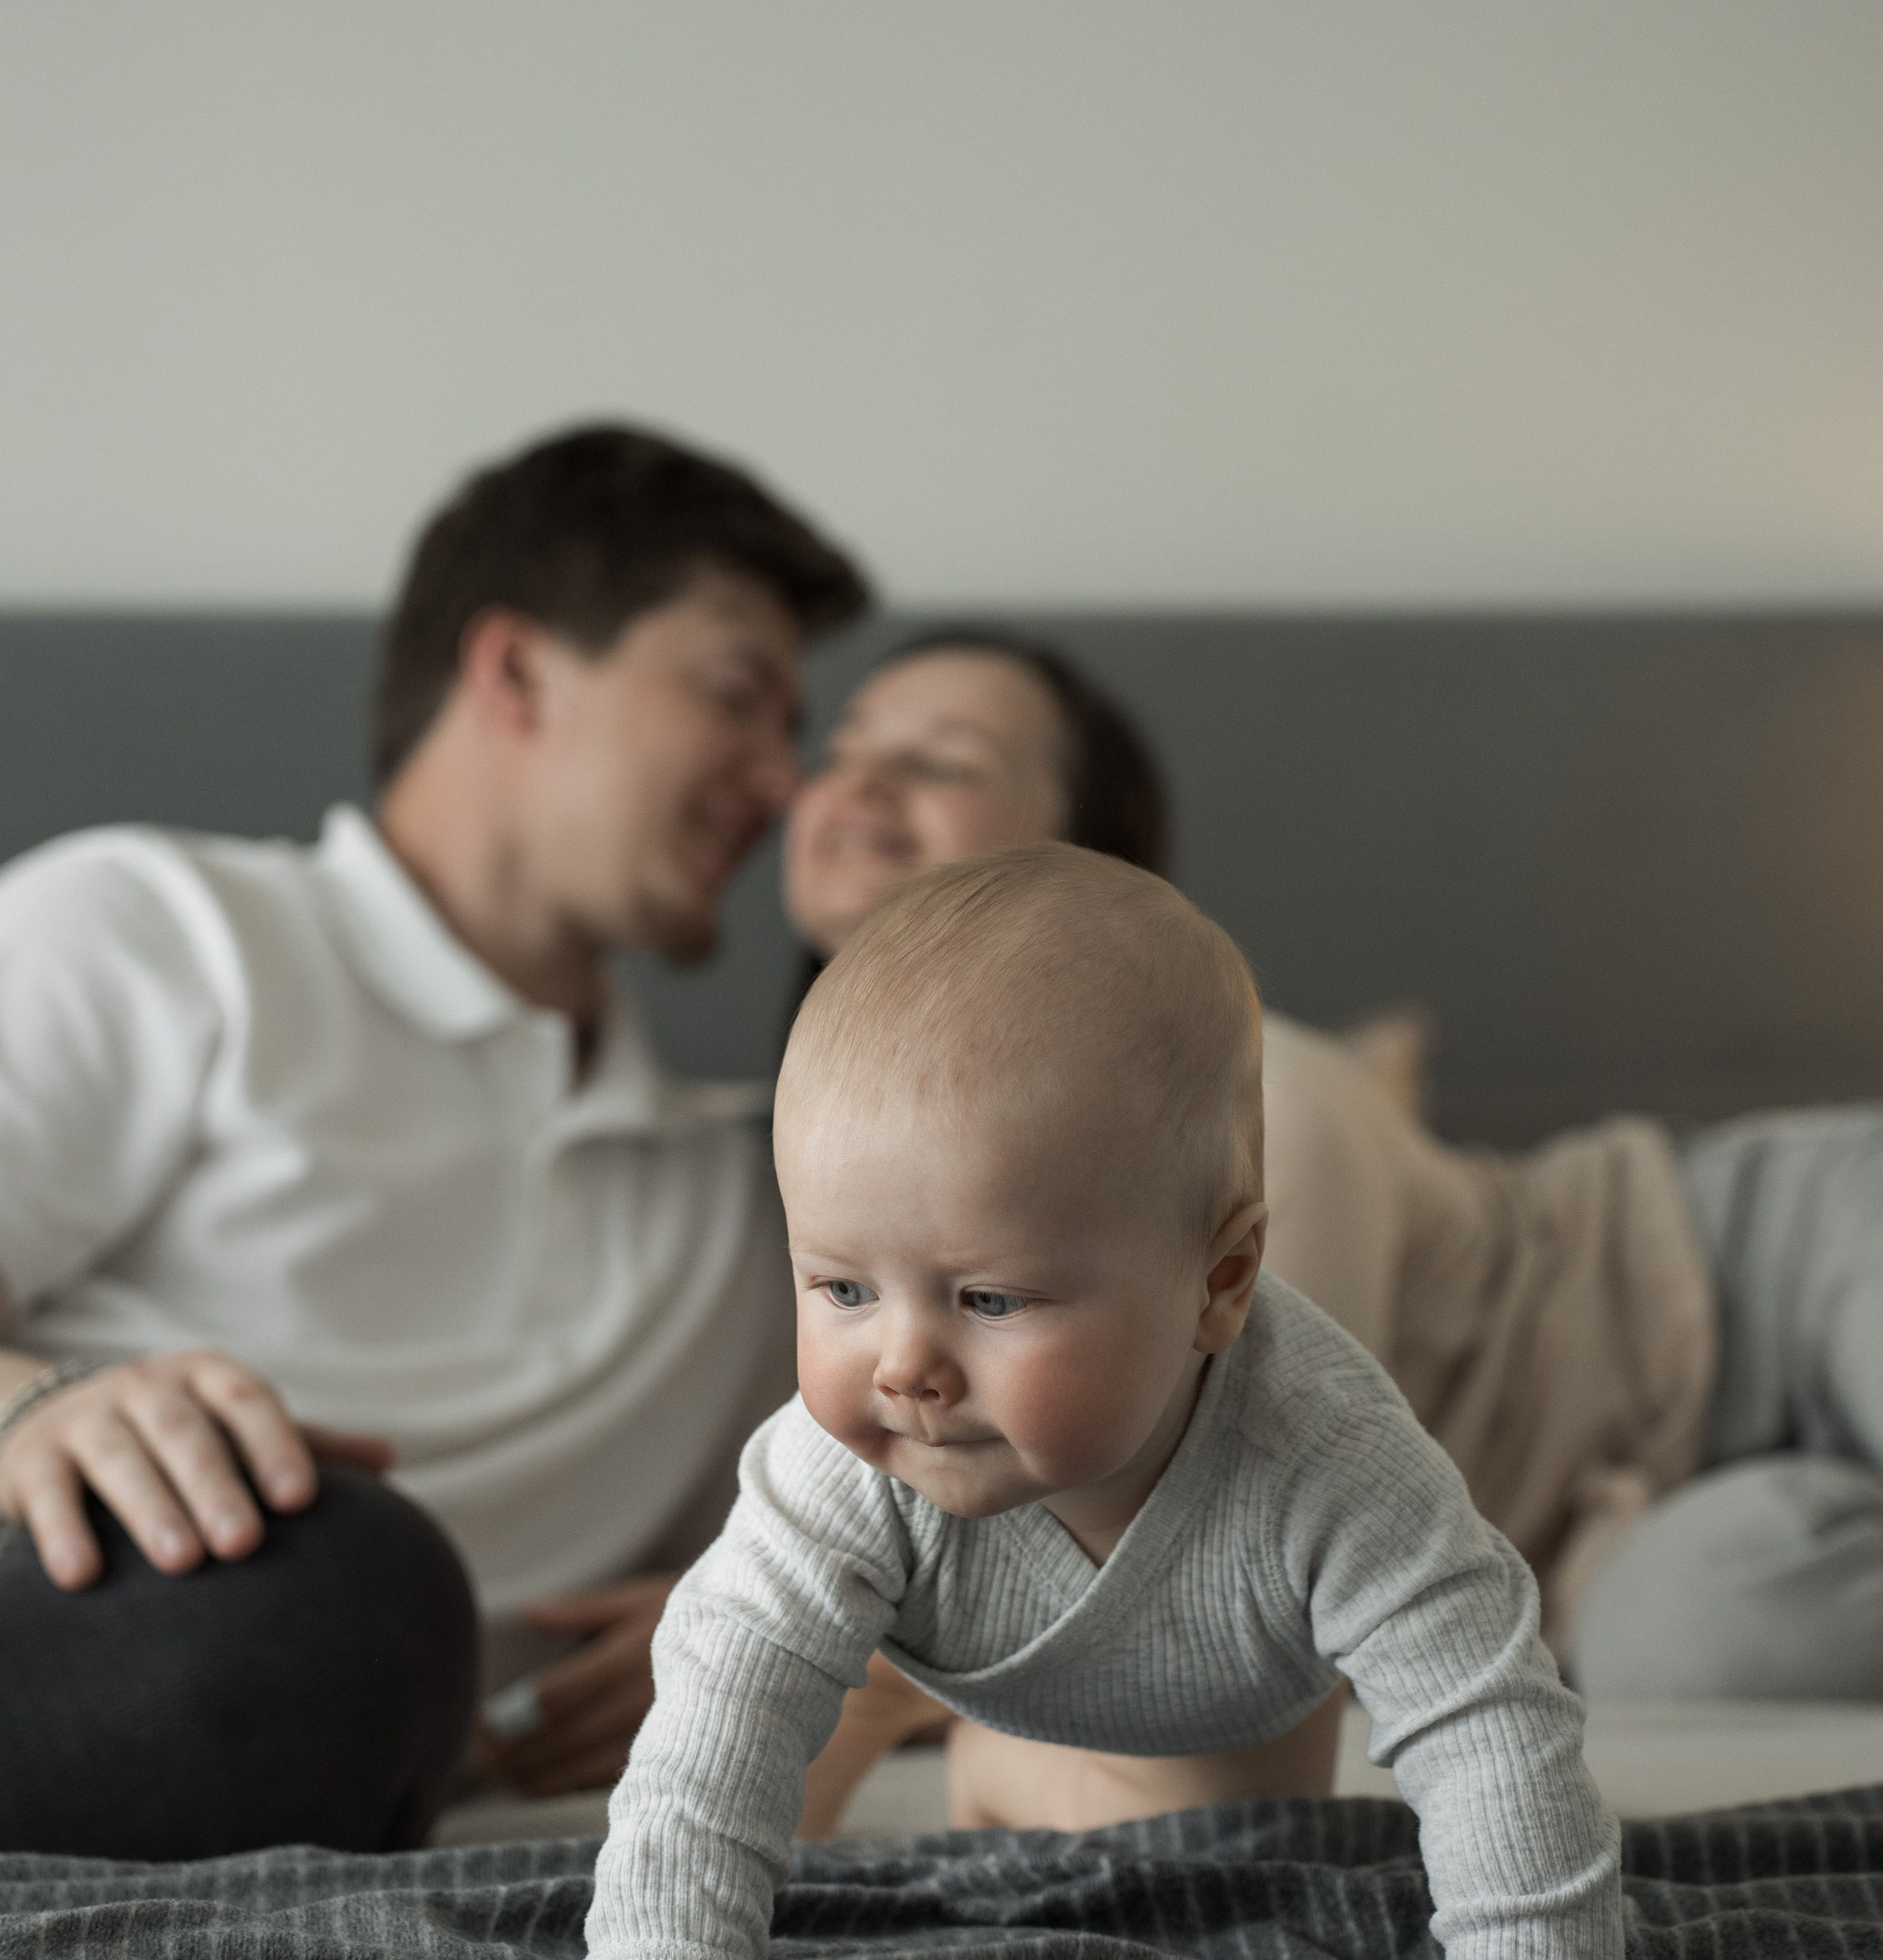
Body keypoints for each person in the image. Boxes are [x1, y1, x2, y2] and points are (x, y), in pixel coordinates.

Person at [0, 424, 867, 1856]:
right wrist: (30, 1418)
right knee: (344, 1577)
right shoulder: (168, 929)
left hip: (280, 1684)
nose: (781, 781)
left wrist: (763, 1617)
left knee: (345, 1589)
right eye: (737, 698)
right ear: (517, 671)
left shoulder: (759, 1206)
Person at [780, 629, 1883, 1841]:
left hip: (1750, 1265)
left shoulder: (1238, 1120)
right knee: (1700, 1641)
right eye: (845, 748)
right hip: (1610, 1534)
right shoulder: (837, 1217)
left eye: (941, 760)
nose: (863, 783)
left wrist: (847, 1640)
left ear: (1092, 861)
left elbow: (1218, 1538)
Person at [583, 849, 1621, 1960]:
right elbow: (706, 1747)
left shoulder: (1329, 1458)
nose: (904, 1367)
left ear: (1219, 1285)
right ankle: (940, 1727)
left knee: (1241, 1858)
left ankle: (1000, 1774)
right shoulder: (840, 1469)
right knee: (772, 1741)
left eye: (988, 1299)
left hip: (1237, 1659)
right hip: (933, 1620)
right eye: (842, 1290)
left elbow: (1491, 1729)